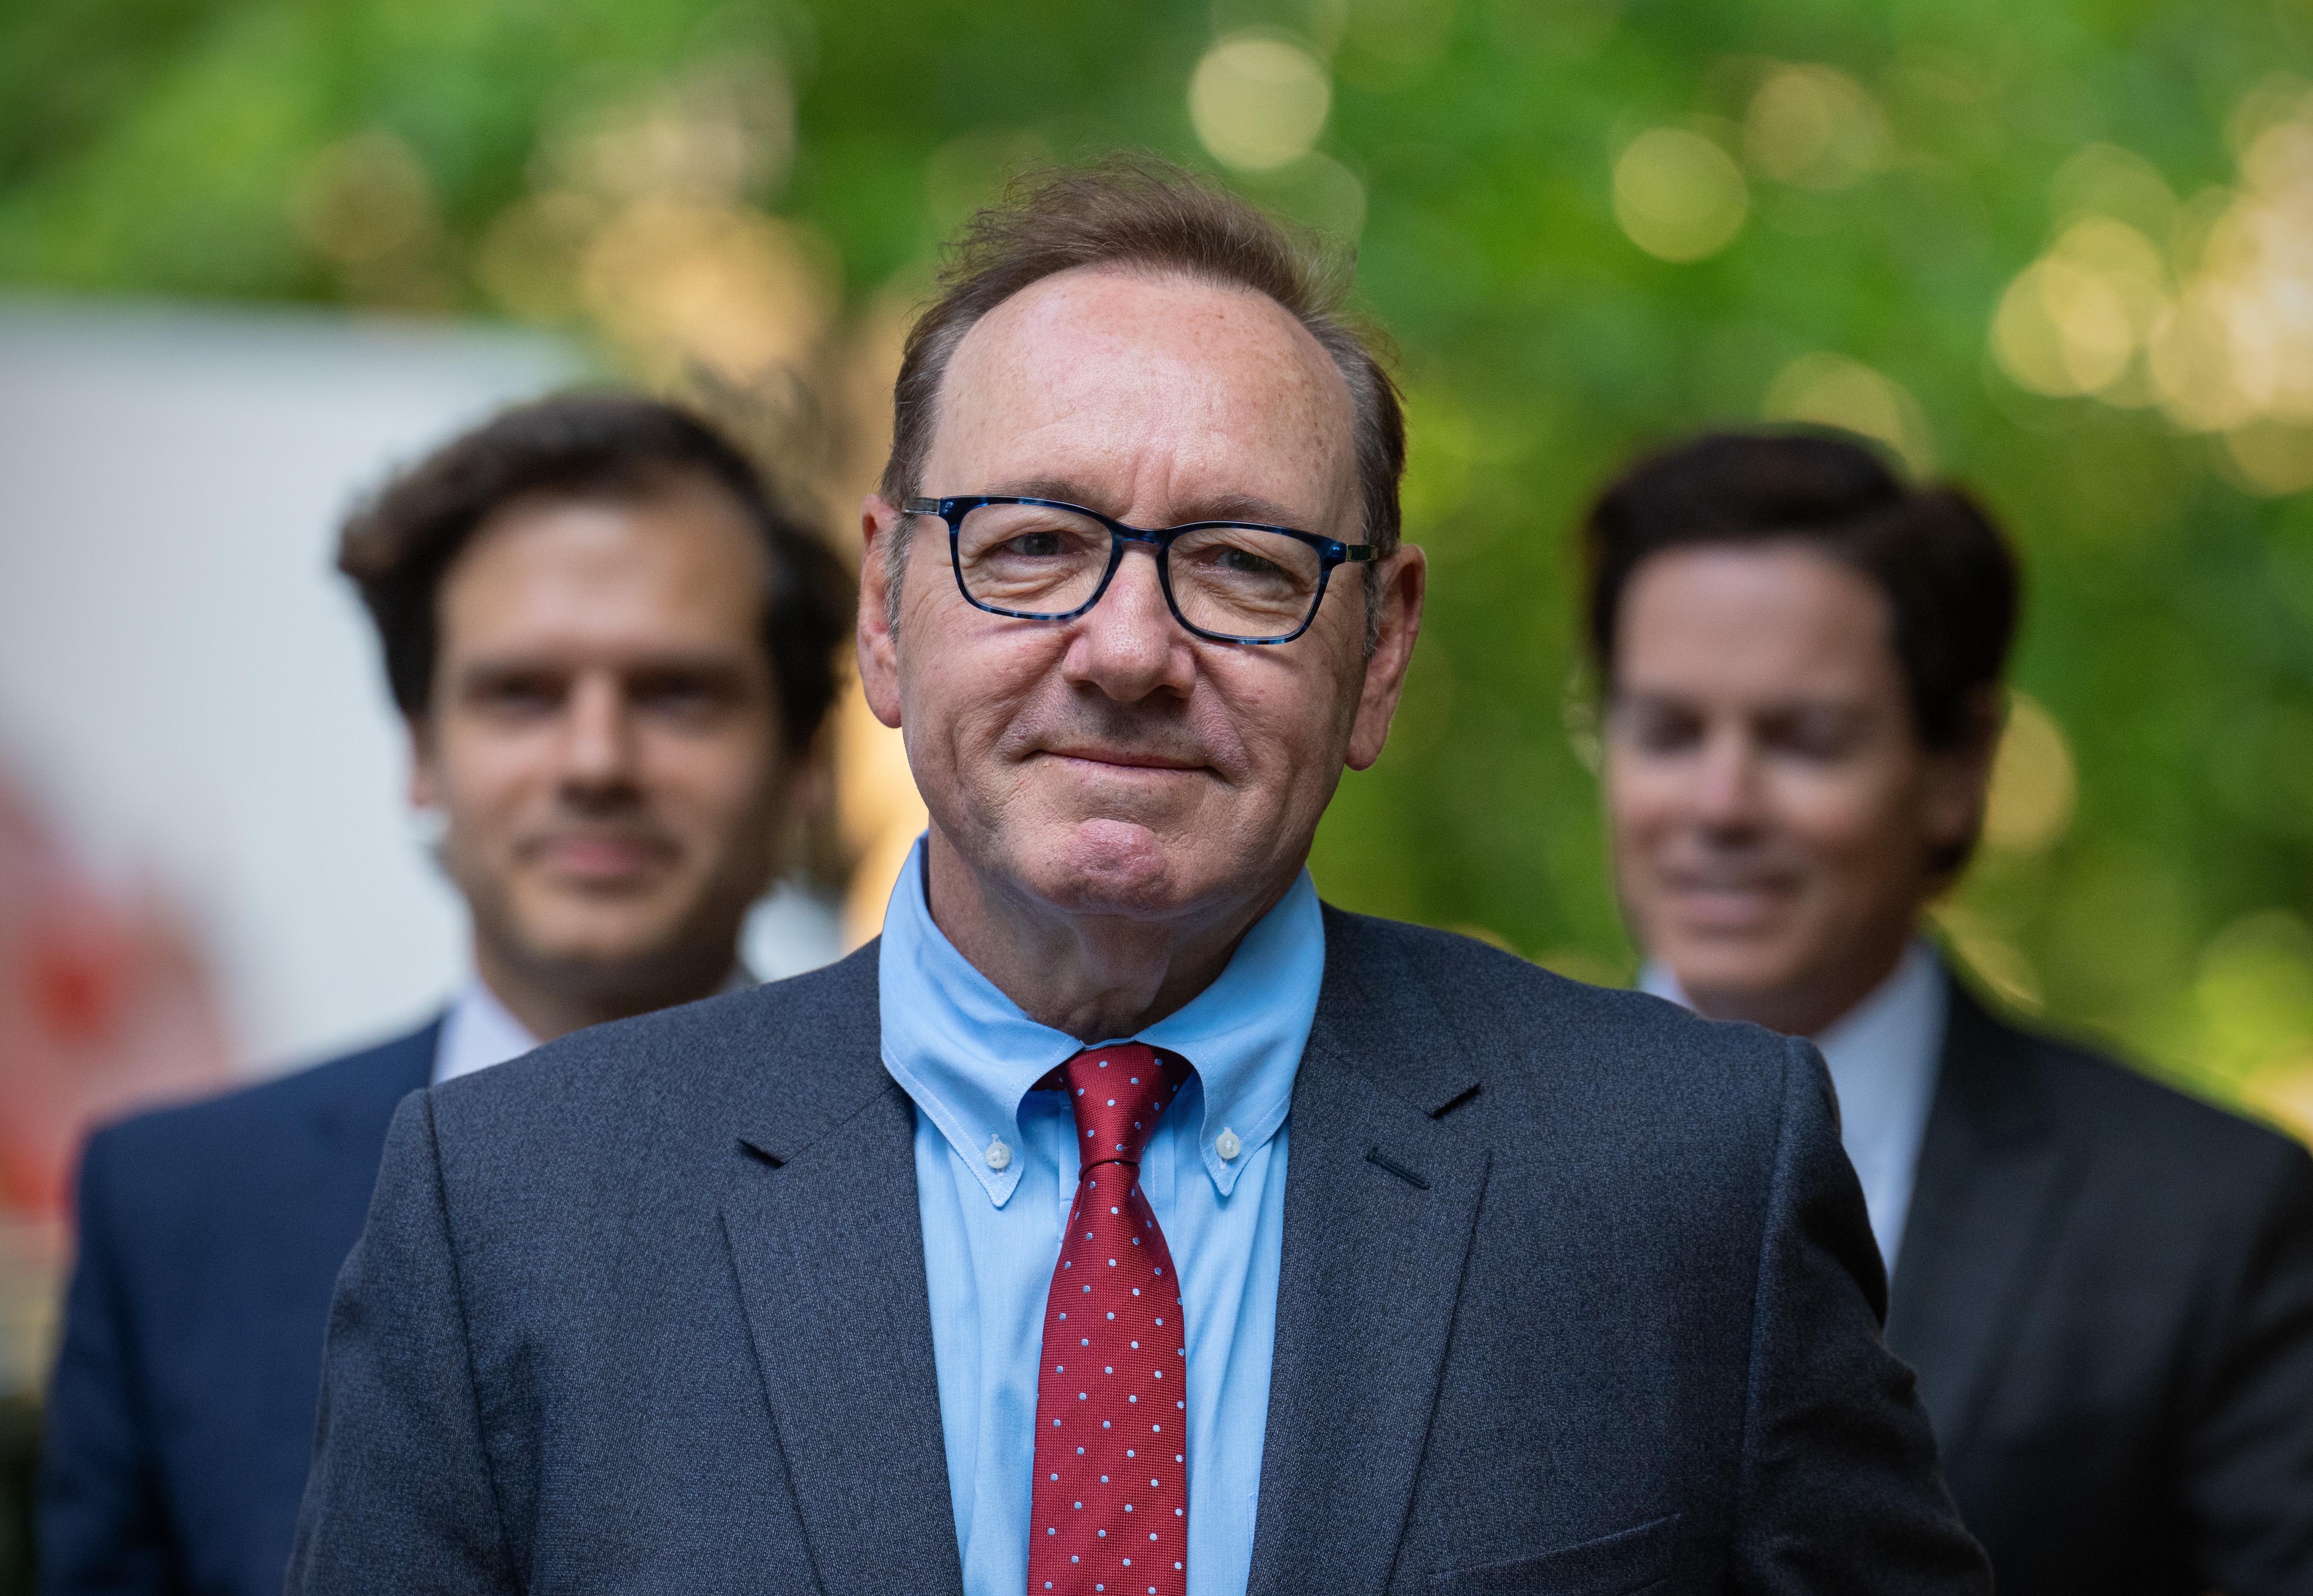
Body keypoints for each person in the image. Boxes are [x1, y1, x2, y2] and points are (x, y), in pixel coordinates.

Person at [286, 160, 1988, 1596]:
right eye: (1032, 545)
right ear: (887, 608)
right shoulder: (511, 1206)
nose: (1125, 648)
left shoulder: (1685, 1174)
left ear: (1377, 651)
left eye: (1242, 566)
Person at [39, 393, 855, 1596]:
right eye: (521, 693)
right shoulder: (175, 1214)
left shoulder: (953, 1169)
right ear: (421, 750)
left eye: (678, 692)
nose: (595, 760)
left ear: (807, 762)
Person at [1589, 428, 2313, 1596]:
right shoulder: (1427, 1157)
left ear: (1957, 767)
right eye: (1668, 732)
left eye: (1805, 740)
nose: (1720, 802)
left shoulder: (2206, 1219)